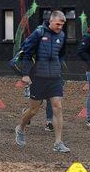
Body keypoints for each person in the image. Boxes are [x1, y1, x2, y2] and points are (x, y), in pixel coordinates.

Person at [13, 10, 70, 153]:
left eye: (62, 25)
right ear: (50, 21)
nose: (60, 28)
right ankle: (20, 128)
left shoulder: (62, 36)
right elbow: (26, 53)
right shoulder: (38, 33)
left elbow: (61, 54)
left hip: (55, 78)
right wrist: (26, 74)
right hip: (38, 77)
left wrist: (57, 68)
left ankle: (58, 143)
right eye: (57, 24)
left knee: (57, 107)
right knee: (33, 110)